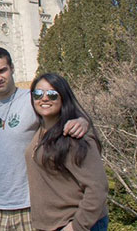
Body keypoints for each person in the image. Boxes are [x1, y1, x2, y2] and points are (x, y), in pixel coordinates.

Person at [0, 46, 89, 231]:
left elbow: (69, 115)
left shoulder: (33, 101)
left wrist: (82, 122)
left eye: (2, 70)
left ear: (12, 68)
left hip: (30, 204)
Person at [26, 73, 108, 231]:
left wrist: (76, 226)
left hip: (74, 223)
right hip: (50, 224)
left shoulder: (74, 135)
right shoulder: (41, 130)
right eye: (37, 94)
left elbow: (97, 187)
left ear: (63, 97)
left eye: (52, 94)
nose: (44, 98)